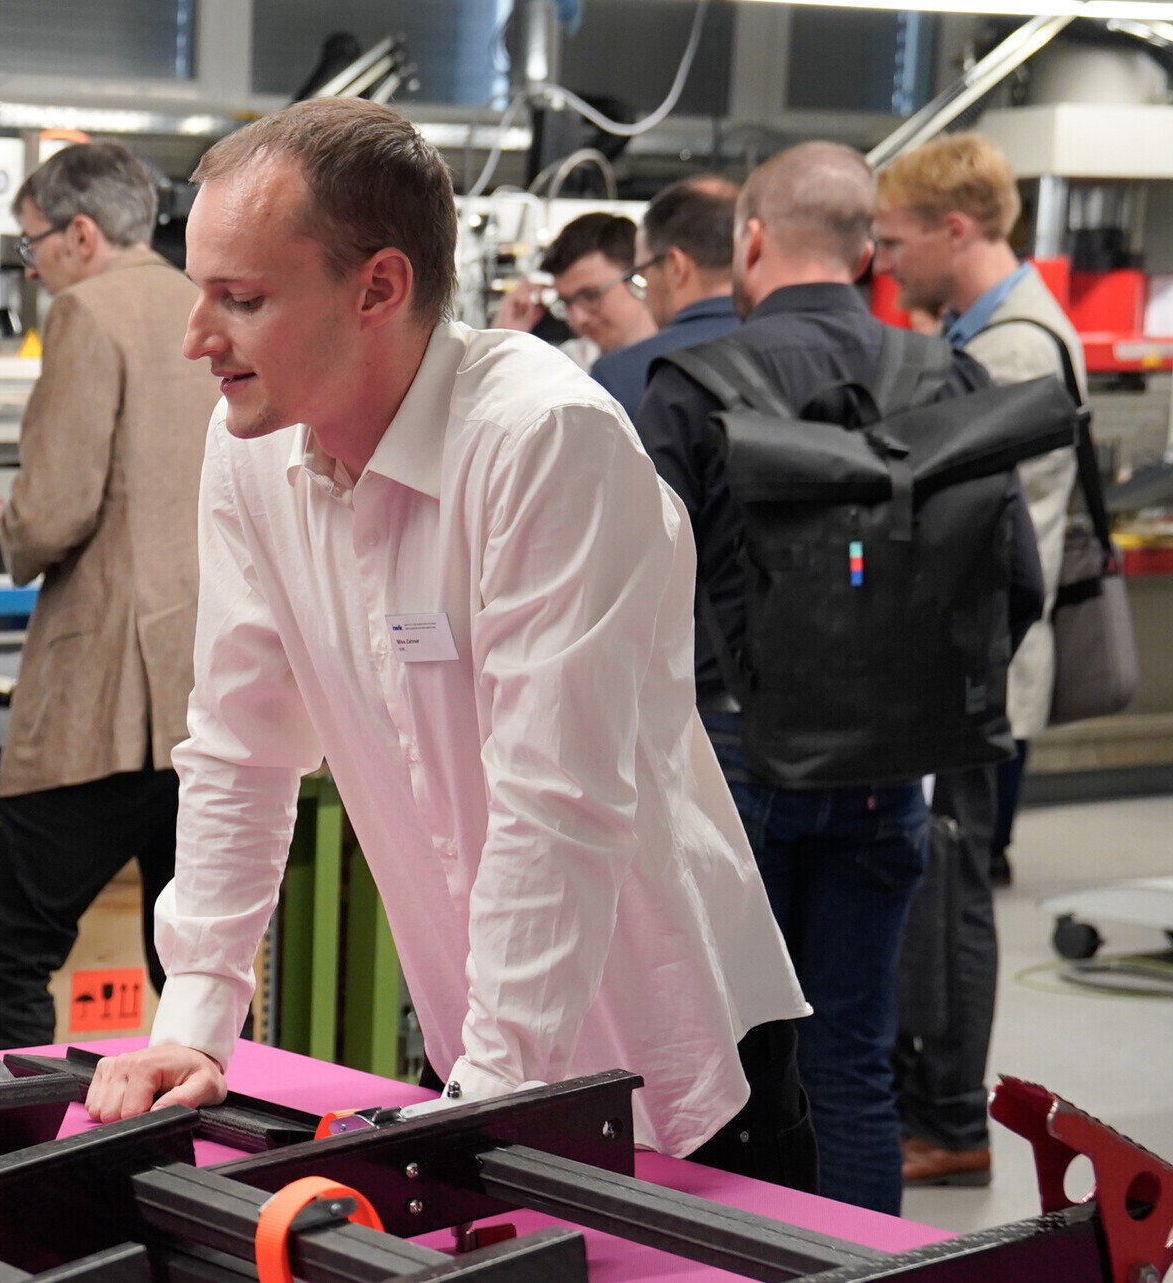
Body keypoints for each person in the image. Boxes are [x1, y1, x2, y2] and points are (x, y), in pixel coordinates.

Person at [83, 100, 813, 1194]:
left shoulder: (542, 441)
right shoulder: (251, 450)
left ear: (378, 287)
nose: (198, 336)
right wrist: (194, 1020)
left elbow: (555, 801)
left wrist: (489, 1101)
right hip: (480, 1048)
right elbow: (239, 745)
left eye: (242, 298)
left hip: (675, 1062)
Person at [630, 141, 1006, 1215]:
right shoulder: (948, 377)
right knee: (851, 1057)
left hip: (729, 760)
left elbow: (633, 593)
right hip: (889, 765)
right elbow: (1008, 581)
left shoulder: (686, 386)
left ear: (750, 240)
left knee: (723, 1069)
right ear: (865, 249)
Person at [0, 141, 214, 1051]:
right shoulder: (207, 305)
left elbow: (59, 508)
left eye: (33, 245)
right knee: (194, 966)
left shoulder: (86, 313)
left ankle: (16, 1131)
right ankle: (203, 1123)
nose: (32, 267)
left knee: (7, 949)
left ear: (83, 234)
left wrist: (15, 521)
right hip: (207, 692)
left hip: (111, 699)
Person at [873, 132, 1084, 1190]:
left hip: (974, 668)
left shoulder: (1014, 351)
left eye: (895, 240)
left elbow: (969, 525)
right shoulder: (981, 330)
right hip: (967, 660)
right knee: (944, 872)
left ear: (955, 229)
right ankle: (937, 1102)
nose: (884, 260)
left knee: (954, 880)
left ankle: (952, 1118)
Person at [592, 174, 743, 410]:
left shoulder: (618, 375)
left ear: (676, 267)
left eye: (643, 272)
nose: (644, 292)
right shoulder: (794, 352)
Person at [493, 211, 657, 375]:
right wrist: (506, 339)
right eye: (566, 302)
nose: (578, 319)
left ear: (637, 278)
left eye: (590, 296)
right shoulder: (568, 366)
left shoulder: (669, 365)